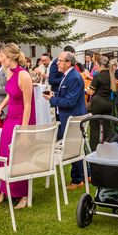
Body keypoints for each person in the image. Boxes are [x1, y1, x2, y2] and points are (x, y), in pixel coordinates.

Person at [0, 43, 36, 209]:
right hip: (10, 119)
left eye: (1, 56)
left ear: (9, 56)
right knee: (5, 154)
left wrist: (24, 131)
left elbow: (28, 105)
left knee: (19, 157)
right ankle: (5, 189)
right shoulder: (7, 71)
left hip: (22, 119)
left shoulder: (23, 75)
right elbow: (11, 93)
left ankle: (23, 194)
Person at [43, 50, 86, 190]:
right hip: (68, 117)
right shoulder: (67, 76)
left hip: (72, 118)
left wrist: (52, 99)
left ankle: (78, 180)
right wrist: (55, 94)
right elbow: (67, 95)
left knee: (73, 149)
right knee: (75, 148)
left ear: (68, 63)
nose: (57, 63)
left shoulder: (73, 77)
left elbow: (69, 102)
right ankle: (83, 176)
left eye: (60, 61)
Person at [86, 56, 114, 150]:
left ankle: (94, 150)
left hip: (98, 102)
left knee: (95, 128)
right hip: (108, 103)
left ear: (99, 65)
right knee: (107, 128)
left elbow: (91, 92)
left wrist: (86, 89)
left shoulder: (98, 75)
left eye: (96, 65)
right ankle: (109, 148)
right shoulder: (112, 75)